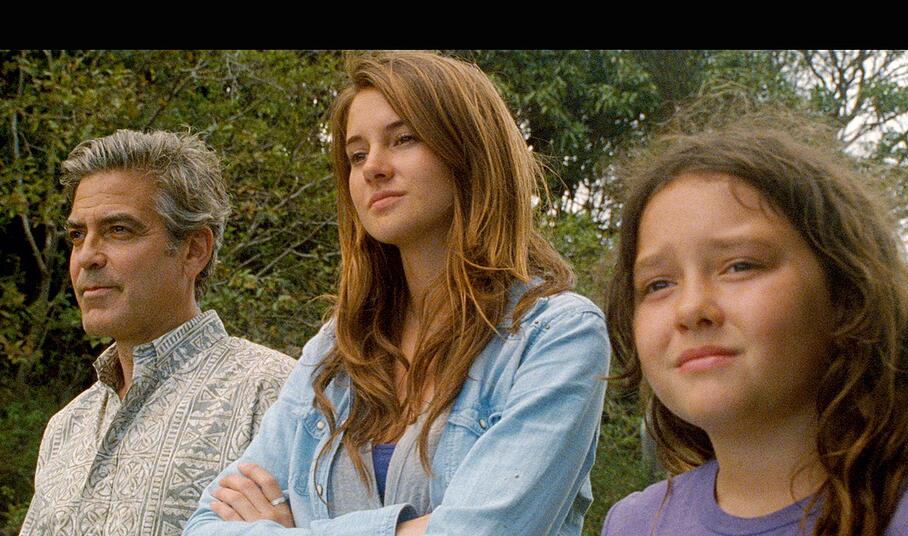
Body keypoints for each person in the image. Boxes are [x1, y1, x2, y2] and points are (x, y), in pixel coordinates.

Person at [183, 51, 610, 536]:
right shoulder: (336, 352)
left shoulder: (557, 337)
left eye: (403, 139)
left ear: (470, 151)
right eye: (356, 155)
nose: (373, 168)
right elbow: (203, 526)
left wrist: (288, 530)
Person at [602, 123, 908, 535]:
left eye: (740, 266)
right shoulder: (634, 524)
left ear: (845, 294)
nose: (691, 308)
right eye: (658, 284)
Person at [20, 130, 296, 536]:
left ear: (194, 250)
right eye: (77, 236)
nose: (87, 256)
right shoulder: (66, 427)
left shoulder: (276, 395)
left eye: (118, 230)